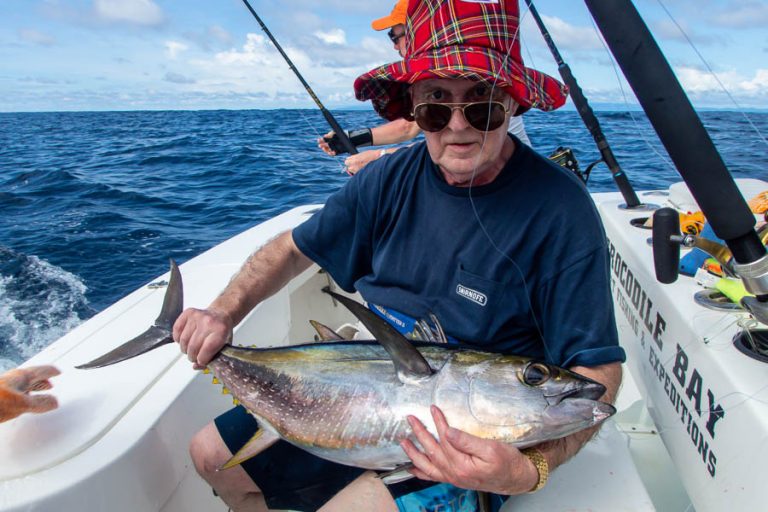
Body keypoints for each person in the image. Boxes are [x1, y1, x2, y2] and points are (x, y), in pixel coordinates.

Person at [175, 1, 624, 511]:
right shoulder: (386, 179)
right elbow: (292, 250)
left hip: (465, 430)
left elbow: (597, 372)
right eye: (436, 106)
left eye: (482, 105)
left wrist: (529, 468)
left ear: (514, 105)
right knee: (209, 455)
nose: (458, 127)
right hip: (365, 377)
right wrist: (222, 312)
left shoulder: (560, 210)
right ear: (413, 110)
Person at [317, 0, 532, 175]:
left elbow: (456, 148)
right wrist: (352, 139)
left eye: (395, 35)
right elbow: (412, 125)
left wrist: (380, 158)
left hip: (508, 174)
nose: (394, 45)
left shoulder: (452, 73)